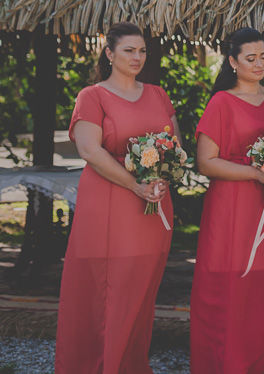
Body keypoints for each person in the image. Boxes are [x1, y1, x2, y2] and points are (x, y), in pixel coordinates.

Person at [57, 22, 180, 374]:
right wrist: (135, 185)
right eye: (129, 50)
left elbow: (175, 146)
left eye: (142, 50)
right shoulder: (92, 96)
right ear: (109, 53)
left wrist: (162, 178)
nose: (137, 57)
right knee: (105, 290)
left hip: (153, 203)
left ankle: (130, 366)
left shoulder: (158, 94)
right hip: (110, 203)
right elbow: (89, 150)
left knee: (140, 291)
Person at [190, 28, 264, 374]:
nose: (259, 63)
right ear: (233, 62)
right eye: (251, 58)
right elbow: (206, 162)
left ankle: (250, 366)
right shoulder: (221, 101)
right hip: (230, 208)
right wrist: (255, 174)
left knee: (260, 290)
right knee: (226, 289)